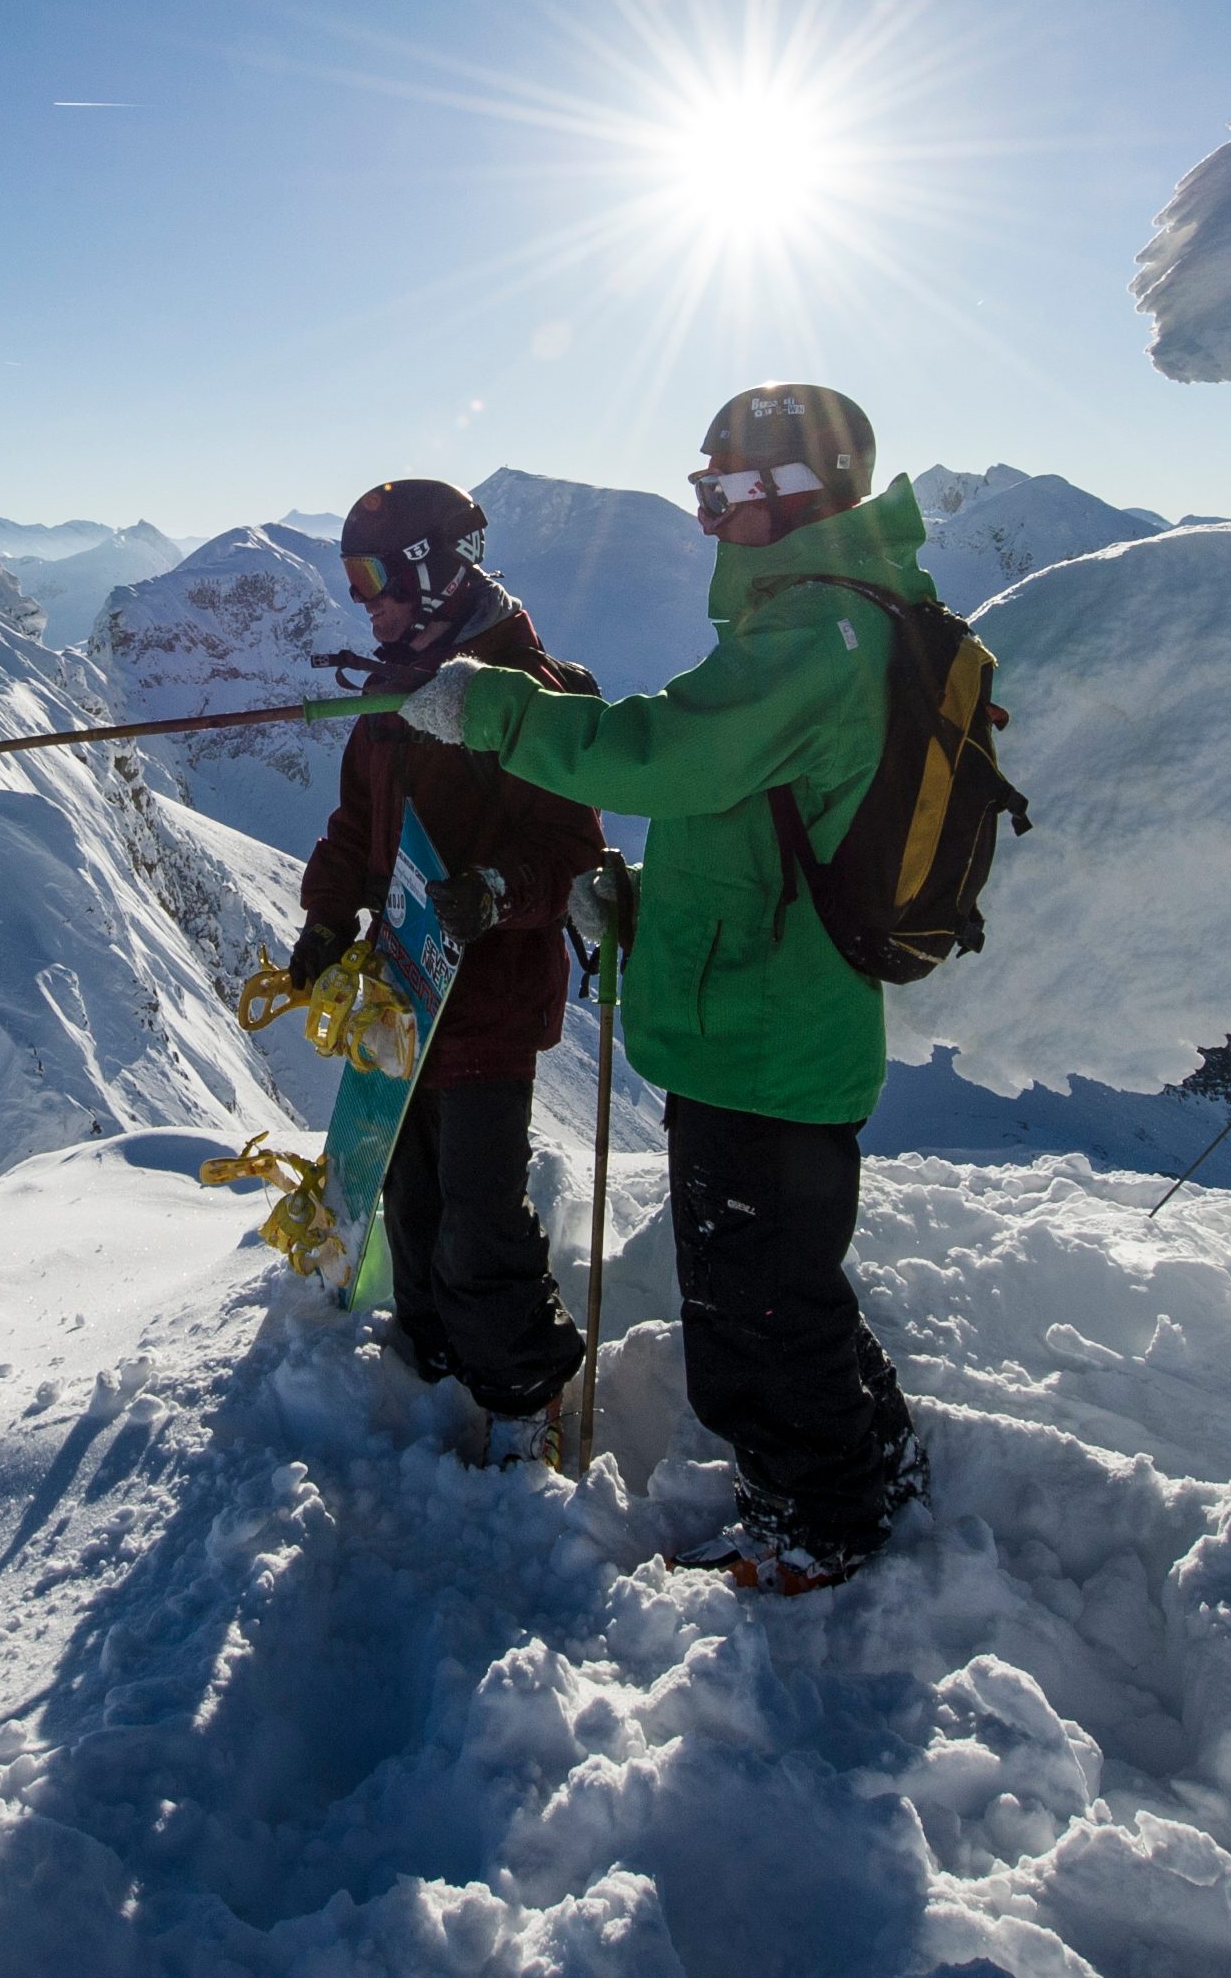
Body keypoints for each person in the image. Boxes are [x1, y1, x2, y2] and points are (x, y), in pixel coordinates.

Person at [397, 384, 929, 1589]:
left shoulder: (812, 638)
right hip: (757, 1004)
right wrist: (636, 898)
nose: (706, 517)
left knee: (755, 1309)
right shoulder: (812, 622)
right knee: (780, 1282)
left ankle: (819, 1526)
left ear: (807, 492)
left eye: (726, 490)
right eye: (699, 492)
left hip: (763, 1032)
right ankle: (869, 1464)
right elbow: (749, 816)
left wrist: (491, 709)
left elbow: (666, 755)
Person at [296, 478, 607, 1464]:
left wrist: (495, 892)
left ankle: (522, 1401)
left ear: (429, 568)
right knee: (413, 1199)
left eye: (372, 575)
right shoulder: (397, 689)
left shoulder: (525, 692)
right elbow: (358, 822)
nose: (361, 599)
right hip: (404, 989)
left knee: (478, 1214)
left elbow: (571, 854)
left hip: (485, 1003)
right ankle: (432, 1367)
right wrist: (324, 914)